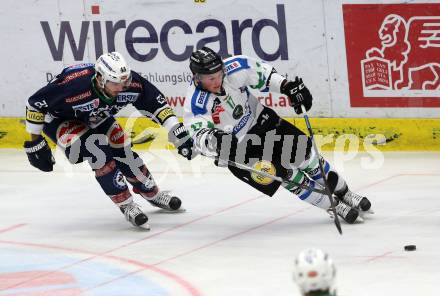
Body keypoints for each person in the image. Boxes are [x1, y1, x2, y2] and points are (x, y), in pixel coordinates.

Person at [182, 47, 372, 223]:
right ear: (197, 77)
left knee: (308, 158)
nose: (217, 81)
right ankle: (332, 205)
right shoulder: (196, 103)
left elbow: (263, 75)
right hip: (240, 148)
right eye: (210, 78)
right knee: (288, 176)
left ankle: (344, 192)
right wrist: (214, 141)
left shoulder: (234, 68)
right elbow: (198, 134)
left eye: (219, 74)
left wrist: (288, 87)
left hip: (263, 121)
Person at [24, 52, 194, 229]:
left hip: (97, 115)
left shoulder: (129, 83)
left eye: (125, 82)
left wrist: (176, 131)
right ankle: (126, 204)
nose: (122, 88)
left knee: (123, 147)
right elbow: (35, 103)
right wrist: (35, 142)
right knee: (98, 151)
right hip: (60, 119)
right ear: (100, 78)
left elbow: (156, 103)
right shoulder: (73, 85)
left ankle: (152, 193)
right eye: (115, 83)